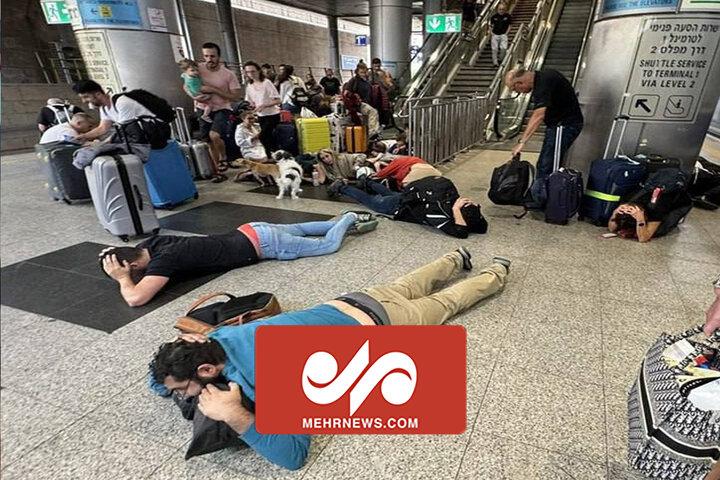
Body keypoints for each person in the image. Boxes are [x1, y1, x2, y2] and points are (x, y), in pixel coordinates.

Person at [148, 249, 510, 469]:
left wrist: (236, 415)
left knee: (445, 303)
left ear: (206, 369)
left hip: (388, 323)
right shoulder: (217, 339)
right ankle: (455, 258)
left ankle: (497, 272)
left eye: (183, 390)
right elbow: (160, 379)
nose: (184, 396)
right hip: (352, 300)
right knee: (409, 283)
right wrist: (175, 360)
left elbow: (293, 456)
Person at [99, 212, 378, 307]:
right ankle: (345, 223)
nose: (134, 276)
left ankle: (349, 218)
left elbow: (136, 298)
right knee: (303, 229)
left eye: (132, 272)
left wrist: (123, 279)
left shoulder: (163, 261)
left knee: (327, 246)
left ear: (133, 266)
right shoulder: (152, 245)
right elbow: (134, 257)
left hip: (264, 244)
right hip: (251, 229)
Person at [331, 175, 488, 238]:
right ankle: (342, 187)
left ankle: (367, 181)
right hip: (401, 206)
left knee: (390, 193)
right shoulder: (441, 214)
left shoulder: (451, 200)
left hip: (408, 199)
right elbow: (461, 233)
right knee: (372, 202)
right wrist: (456, 210)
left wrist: (461, 206)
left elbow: (483, 228)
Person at [505, 68, 584, 181]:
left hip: (564, 126)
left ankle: (548, 191)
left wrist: (522, 142)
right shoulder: (542, 78)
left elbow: (538, 115)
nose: (519, 93)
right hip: (557, 126)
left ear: (519, 83)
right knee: (544, 164)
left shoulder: (544, 82)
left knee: (549, 165)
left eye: (515, 89)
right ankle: (541, 189)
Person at [191, 42, 243, 181]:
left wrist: (214, 90)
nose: (209, 59)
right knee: (208, 140)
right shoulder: (197, 69)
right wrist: (194, 96)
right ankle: (218, 171)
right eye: (206, 56)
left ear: (219, 56)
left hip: (222, 108)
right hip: (203, 108)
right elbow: (186, 85)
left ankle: (223, 157)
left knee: (214, 135)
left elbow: (235, 96)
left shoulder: (228, 74)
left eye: (213, 56)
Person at [72, 79, 170, 148]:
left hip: (156, 132)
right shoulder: (104, 108)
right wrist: (84, 137)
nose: (84, 101)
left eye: (86, 97)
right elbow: (102, 128)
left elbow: (124, 129)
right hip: (142, 135)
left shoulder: (122, 102)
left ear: (98, 94)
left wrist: (101, 144)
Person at [608, 170, 693, 242]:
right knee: (633, 227)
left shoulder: (657, 208)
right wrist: (615, 213)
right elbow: (612, 229)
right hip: (650, 197)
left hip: (682, 203)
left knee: (658, 231)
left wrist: (640, 220)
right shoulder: (628, 199)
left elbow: (643, 238)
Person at [243, 60, 281, 157]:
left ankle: (270, 156)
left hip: (272, 114)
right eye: (248, 72)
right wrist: (251, 106)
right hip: (261, 115)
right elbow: (249, 101)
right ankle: (271, 156)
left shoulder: (266, 83)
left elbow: (278, 100)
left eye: (253, 71)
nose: (251, 74)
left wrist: (264, 105)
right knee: (268, 138)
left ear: (259, 71)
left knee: (263, 136)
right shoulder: (249, 85)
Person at [178, 58, 213, 123]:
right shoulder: (193, 78)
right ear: (185, 71)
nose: (196, 72)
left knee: (198, 101)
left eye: (197, 70)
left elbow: (184, 81)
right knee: (210, 103)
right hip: (198, 93)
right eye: (192, 70)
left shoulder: (185, 75)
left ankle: (196, 109)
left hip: (194, 93)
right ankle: (205, 115)